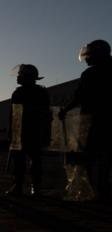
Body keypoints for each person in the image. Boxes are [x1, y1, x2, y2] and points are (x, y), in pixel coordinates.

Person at [59, 40, 112, 202]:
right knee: (107, 157)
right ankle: (104, 190)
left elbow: (79, 96)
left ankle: (95, 191)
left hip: (93, 122)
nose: (86, 59)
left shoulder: (90, 74)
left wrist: (66, 110)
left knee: (89, 156)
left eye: (89, 55)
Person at [6, 64, 51, 197]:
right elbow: (14, 114)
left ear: (28, 77)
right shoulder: (33, 92)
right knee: (26, 160)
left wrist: (12, 132)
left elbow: (14, 115)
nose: (18, 77)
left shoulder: (27, 93)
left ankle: (28, 186)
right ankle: (26, 186)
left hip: (29, 132)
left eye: (20, 75)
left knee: (29, 160)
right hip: (28, 132)